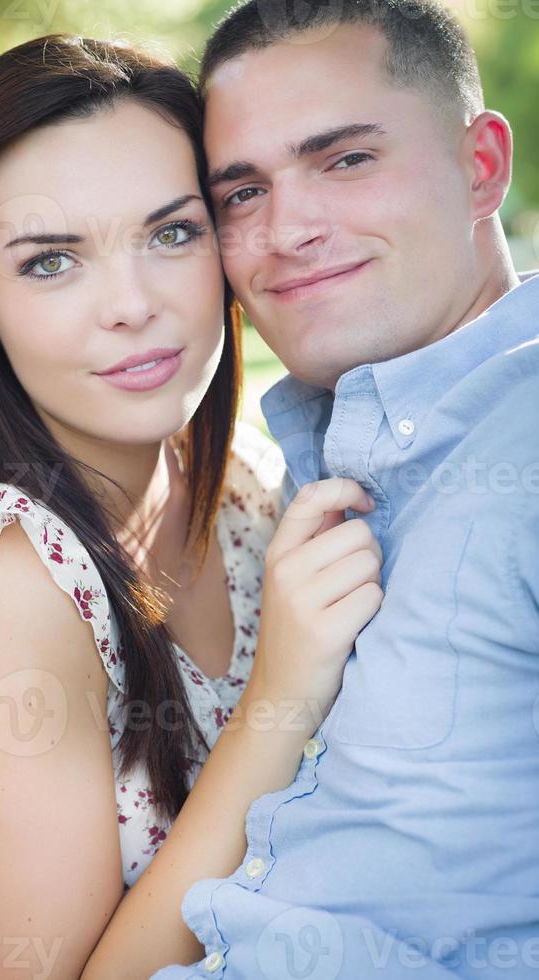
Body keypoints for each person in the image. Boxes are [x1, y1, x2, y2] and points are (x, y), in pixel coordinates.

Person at [0, 34, 385, 979]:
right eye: (50, 261)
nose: (131, 305)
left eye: (171, 233)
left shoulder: (234, 479)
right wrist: (279, 698)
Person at [151, 1, 539, 978]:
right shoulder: (283, 478)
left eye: (346, 159)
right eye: (240, 193)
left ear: (480, 166)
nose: (288, 230)